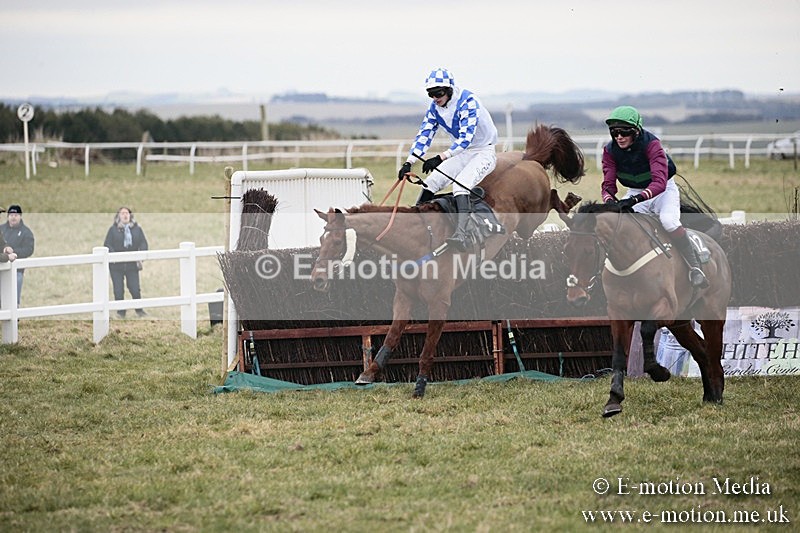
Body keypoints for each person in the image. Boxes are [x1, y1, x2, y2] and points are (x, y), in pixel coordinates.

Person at [601, 105, 708, 288]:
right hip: (635, 191)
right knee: (621, 225)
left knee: (668, 221)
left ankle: (695, 266)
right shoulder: (610, 151)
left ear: (636, 132)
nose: (619, 136)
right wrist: (610, 202)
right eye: (615, 132)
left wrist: (634, 200)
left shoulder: (652, 145)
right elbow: (608, 186)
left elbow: (659, 183)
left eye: (624, 132)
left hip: (664, 191)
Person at [397, 68, 498, 251]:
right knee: (431, 182)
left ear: (450, 89)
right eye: (431, 94)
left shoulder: (468, 101)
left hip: (483, 151)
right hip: (462, 153)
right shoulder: (434, 108)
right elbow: (424, 135)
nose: (435, 98)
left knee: (460, 185)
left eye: (439, 93)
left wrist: (440, 157)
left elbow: (465, 139)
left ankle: (462, 233)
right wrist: (408, 162)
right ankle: (416, 222)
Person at [103, 207, 149, 318]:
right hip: (116, 266)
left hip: (132, 264)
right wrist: (115, 256)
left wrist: (140, 255)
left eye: (127, 213)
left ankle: (139, 310)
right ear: (118, 216)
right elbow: (107, 245)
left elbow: (143, 243)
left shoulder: (137, 229)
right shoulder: (113, 230)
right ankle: (121, 312)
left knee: (134, 288)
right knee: (118, 289)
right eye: (122, 213)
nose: (125, 215)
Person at [1, 204, 34, 304]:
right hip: (1, 268)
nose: (13, 217)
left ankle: (15, 317)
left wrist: (14, 252)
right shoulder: (1, 229)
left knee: (14, 297)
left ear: (20, 216)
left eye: (16, 215)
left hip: (17, 270)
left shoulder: (26, 232)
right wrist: (6, 253)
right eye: (11, 214)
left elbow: (29, 249)